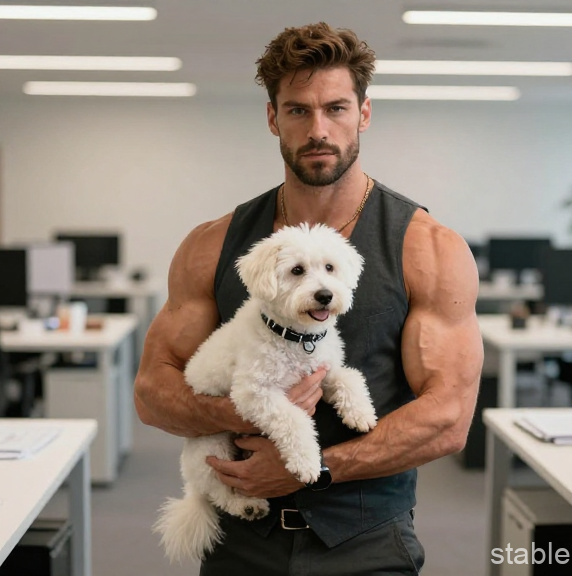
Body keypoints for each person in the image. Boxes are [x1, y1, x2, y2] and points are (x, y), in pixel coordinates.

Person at [135, 22, 483, 575]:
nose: (318, 129)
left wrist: (314, 467)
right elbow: (152, 390)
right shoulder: (212, 245)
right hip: (241, 540)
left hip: (366, 540)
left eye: (337, 108)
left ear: (363, 113)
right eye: (298, 110)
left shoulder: (428, 248)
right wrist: (240, 413)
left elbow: (450, 417)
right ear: (273, 118)